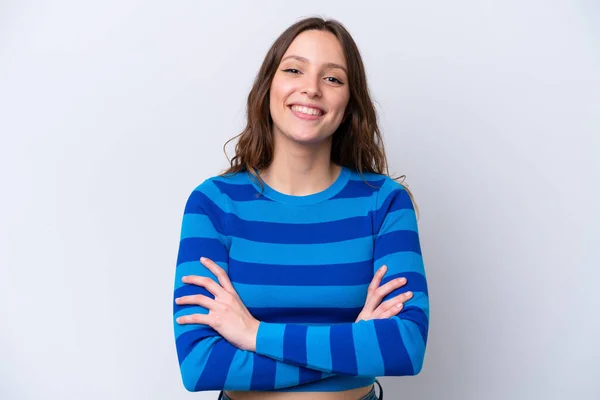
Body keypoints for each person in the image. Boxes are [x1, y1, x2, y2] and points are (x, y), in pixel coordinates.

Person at [172, 17, 429, 400]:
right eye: (294, 70)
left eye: (333, 78)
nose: (311, 89)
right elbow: (201, 364)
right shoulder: (214, 203)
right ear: (268, 87)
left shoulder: (385, 202)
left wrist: (254, 334)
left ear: (350, 100)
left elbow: (404, 348)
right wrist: (354, 345)